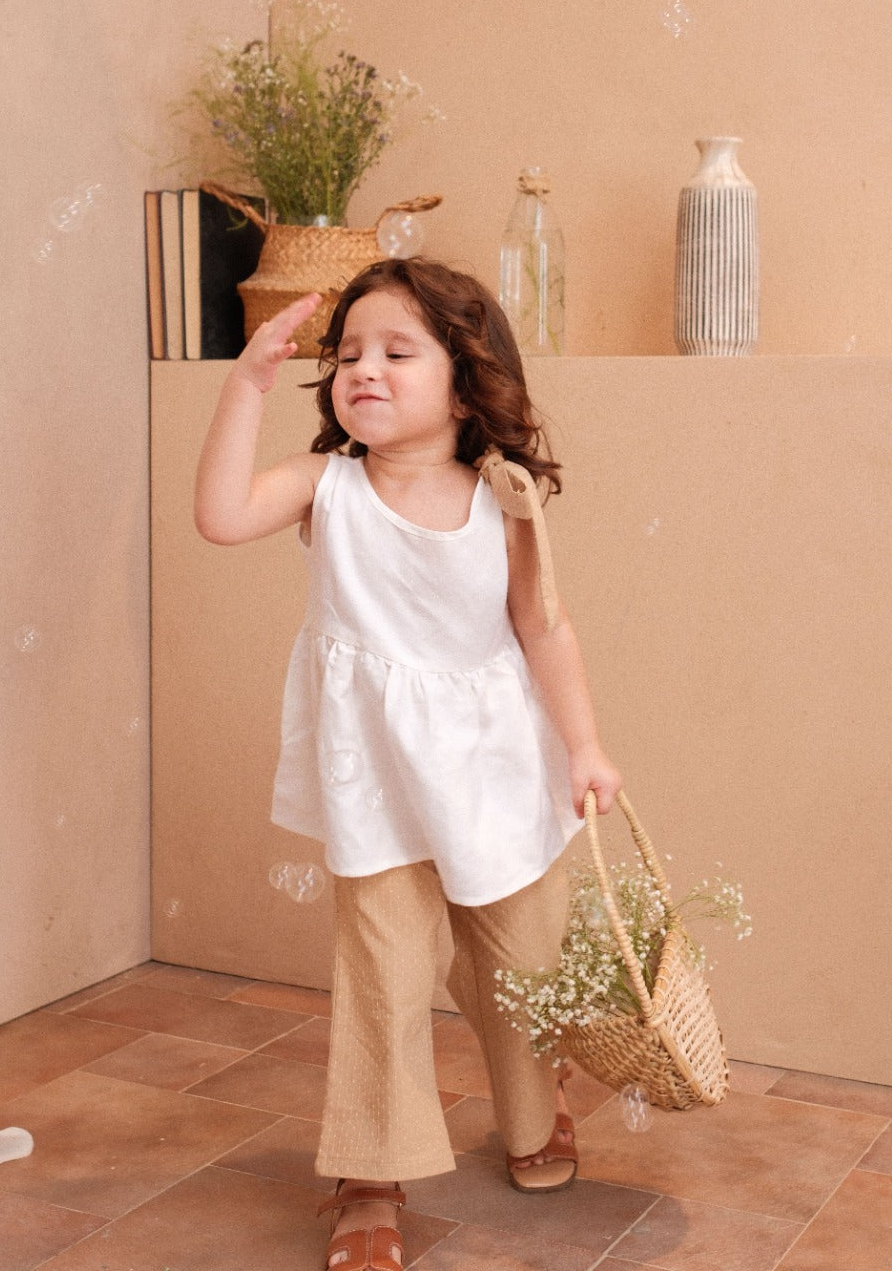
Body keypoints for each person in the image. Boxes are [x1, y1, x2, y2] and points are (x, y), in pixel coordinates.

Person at [194, 258, 622, 1271]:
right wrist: (243, 386)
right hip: (377, 783)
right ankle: (371, 1171)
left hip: (498, 774)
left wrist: (586, 746)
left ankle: (535, 1111)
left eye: (397, 352)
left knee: (522, 961)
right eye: (348, 354)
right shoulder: (327, 487)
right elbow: (219, 516)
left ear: (466, 382)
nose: (364, 371)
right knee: (382, 973)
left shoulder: (502, 497)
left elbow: (543, 628)